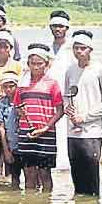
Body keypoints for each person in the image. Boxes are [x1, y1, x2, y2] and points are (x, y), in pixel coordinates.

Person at [63, 29, 102, 196]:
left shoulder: (100, 70)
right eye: (76, 48)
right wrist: (68, 110)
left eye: (83, 48)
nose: (79, 51)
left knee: (92, 178)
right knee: (76, 178)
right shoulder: (70, 70)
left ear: (90, 50)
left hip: (92, 131)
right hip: (72, 131)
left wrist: (85, 117)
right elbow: (66, 95)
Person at [16, 44, 66, 193]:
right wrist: (21, 111)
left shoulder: (52, 83)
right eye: (33, 64)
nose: (36, 67)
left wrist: (46, 127)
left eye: (40, 64)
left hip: (47, 133)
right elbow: (17, 108)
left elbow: (60, 110)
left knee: (45, 173)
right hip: (27, 133)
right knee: (29, 174)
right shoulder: (22, 84)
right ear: (28, 64)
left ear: (47, 64)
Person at [46, 10, 73, 171]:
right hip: (48, 98)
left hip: (68, 98)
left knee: (66, 133)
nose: (58, 29)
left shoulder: (72, 49)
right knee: (51, 131)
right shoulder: (46, 49)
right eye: (55, 26)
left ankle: (65, 167)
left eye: (61, 26)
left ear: (66, 28)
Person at [0, 70, 23, 189]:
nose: (9, 89)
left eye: (11, 86)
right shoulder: (1, 104)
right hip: (11, 144)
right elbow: (1, 128)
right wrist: (6, 150)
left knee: (32, 176)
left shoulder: (23, 101)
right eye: (5, 87)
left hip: (25, 144)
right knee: (14, 178)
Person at [0, 31, 24, 97]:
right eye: (0, 47)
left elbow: (20, 86)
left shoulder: (17, 66)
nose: (2, 50)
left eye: (6, 47)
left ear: (11, 48)